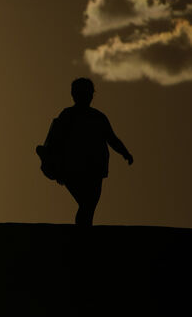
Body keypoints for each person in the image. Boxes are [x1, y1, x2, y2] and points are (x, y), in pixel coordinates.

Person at [44, 77, 133, 226]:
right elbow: (54, 142)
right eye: (82, 93)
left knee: (88, 206)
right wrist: (56, 168)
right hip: (72, 169)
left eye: (88, 93)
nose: (86, 96)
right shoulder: (68, 115)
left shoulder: (98, 117)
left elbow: (111, 139)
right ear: (74, 94)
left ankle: (84, 235)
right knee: (87, 204)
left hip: (95, 170)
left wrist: (125, 153)